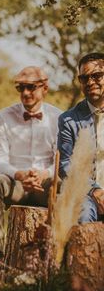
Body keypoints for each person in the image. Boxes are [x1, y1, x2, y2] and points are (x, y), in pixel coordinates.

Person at [0, 66, 62, 262]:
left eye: (31, 87)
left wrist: (44, 174)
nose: (25, 93)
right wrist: (19, 175)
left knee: (67, 189)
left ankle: (56, 256)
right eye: (21, 88)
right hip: (15, 184)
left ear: (45, 88)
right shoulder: (3, 117)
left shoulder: (58, 118)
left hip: (46, 185)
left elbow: (61, 161)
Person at [58, 52, 104, 223]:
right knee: (83, 213)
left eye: (97, 75)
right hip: (86, 192)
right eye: (84, 78)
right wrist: (95, 191)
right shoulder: (68, 120)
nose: (91, 82)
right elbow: (65, 165)